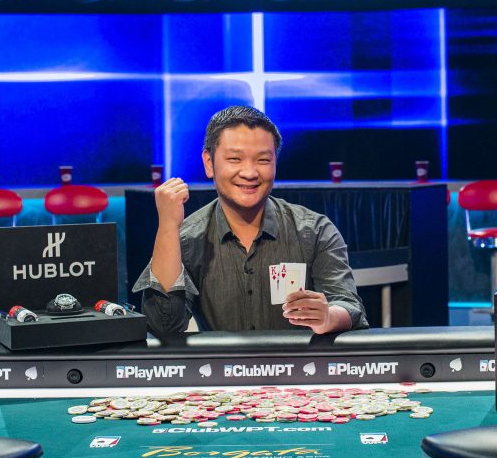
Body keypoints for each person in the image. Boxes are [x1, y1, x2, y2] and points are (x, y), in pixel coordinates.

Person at [133, 105, 368, 334]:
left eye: (263, 160)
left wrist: (328, 317)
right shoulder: (188, 239)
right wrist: (168, 226)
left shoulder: (315, 231)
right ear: (209, 163)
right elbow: (164, 325)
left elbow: (350, 307)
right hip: (220, 362)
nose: (250, 173)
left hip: (299, 361)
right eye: (235, 159)